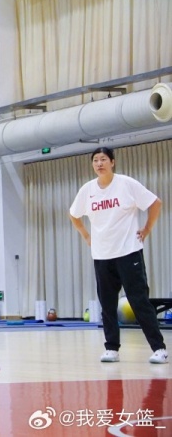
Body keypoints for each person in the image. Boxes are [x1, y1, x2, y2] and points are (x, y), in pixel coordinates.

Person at [69, 146, 167, 364]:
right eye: (95, 160)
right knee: (107, 305)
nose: (99, 163)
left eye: (103, 159)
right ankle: (111, 348)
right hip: (102, 256)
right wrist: (86, 236)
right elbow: (74, 214)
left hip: (128, 252)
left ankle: (159, 348)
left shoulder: (126, 184)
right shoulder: (87, 190)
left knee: (139, 301)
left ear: (112, 162)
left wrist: (147, 229)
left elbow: (155, 203)